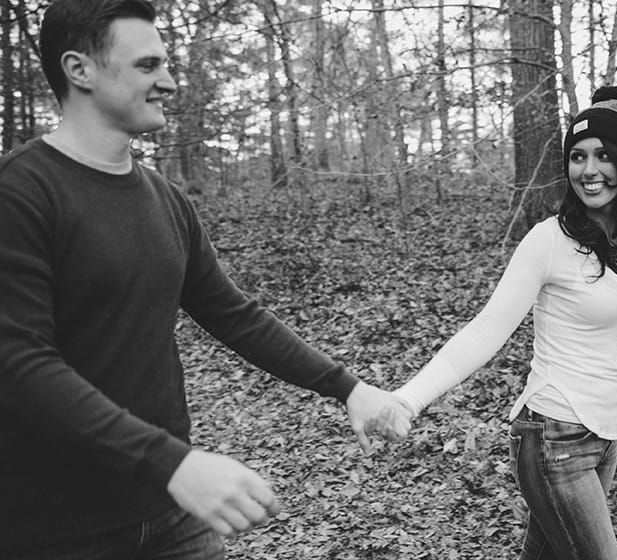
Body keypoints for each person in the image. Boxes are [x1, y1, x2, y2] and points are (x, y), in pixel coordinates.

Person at [0, 1, 409, 558]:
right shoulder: (21, 193)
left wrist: (347, 387)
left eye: (167, 64)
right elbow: (20, 363)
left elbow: (232, 313)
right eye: (148, 66)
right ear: (80, 70)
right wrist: (174, 464)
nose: (168, 82)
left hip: (170, 514)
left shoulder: (164, 199)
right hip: (57, 525)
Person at [379, 86, 617, 559]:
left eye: (602, 155)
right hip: (553, 440)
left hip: (605, 438)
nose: (589, 171)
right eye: (577, 157)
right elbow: (485, 330)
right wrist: (407, 400)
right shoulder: (547, 241)